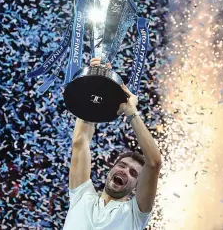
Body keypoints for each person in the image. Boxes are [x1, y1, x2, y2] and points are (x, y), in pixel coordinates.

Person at [63, 58, 162, 230]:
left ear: (136, 186)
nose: (124, 171)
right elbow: (80, 141)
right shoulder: (81, 196)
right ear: (111, 169)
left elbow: (153, 163)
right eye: (122, 165)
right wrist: (96, 83)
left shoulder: (134, 215)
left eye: (133, 173)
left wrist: (130, 111)